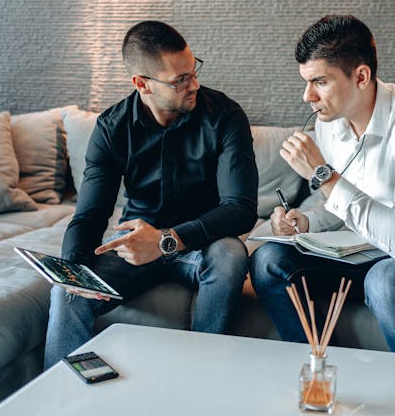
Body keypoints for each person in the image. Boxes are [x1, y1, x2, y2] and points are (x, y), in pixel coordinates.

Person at [250, 15, 395, 356]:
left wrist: (323, 174)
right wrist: (303, 221)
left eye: (319, 82)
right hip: (369, 251)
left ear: (361, 76)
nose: (307, 96)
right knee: (268, 260)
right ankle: (321, 370)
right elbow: (344, 205)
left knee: (387, 280)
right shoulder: (331, 125)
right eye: (306, 82)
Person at [44, 21, 258, 368]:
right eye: (180, 80)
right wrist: (75, 271)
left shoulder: (225, 116)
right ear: (142, 84)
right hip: (133, 246)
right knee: (66, 293)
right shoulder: (112, 127)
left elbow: (241, 208)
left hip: (202, 244)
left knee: (231, 253)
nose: (194, 85)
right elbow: (90, 215)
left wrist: (165, 240)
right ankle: (59, 400)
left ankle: (205, 376)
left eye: (192, 71)